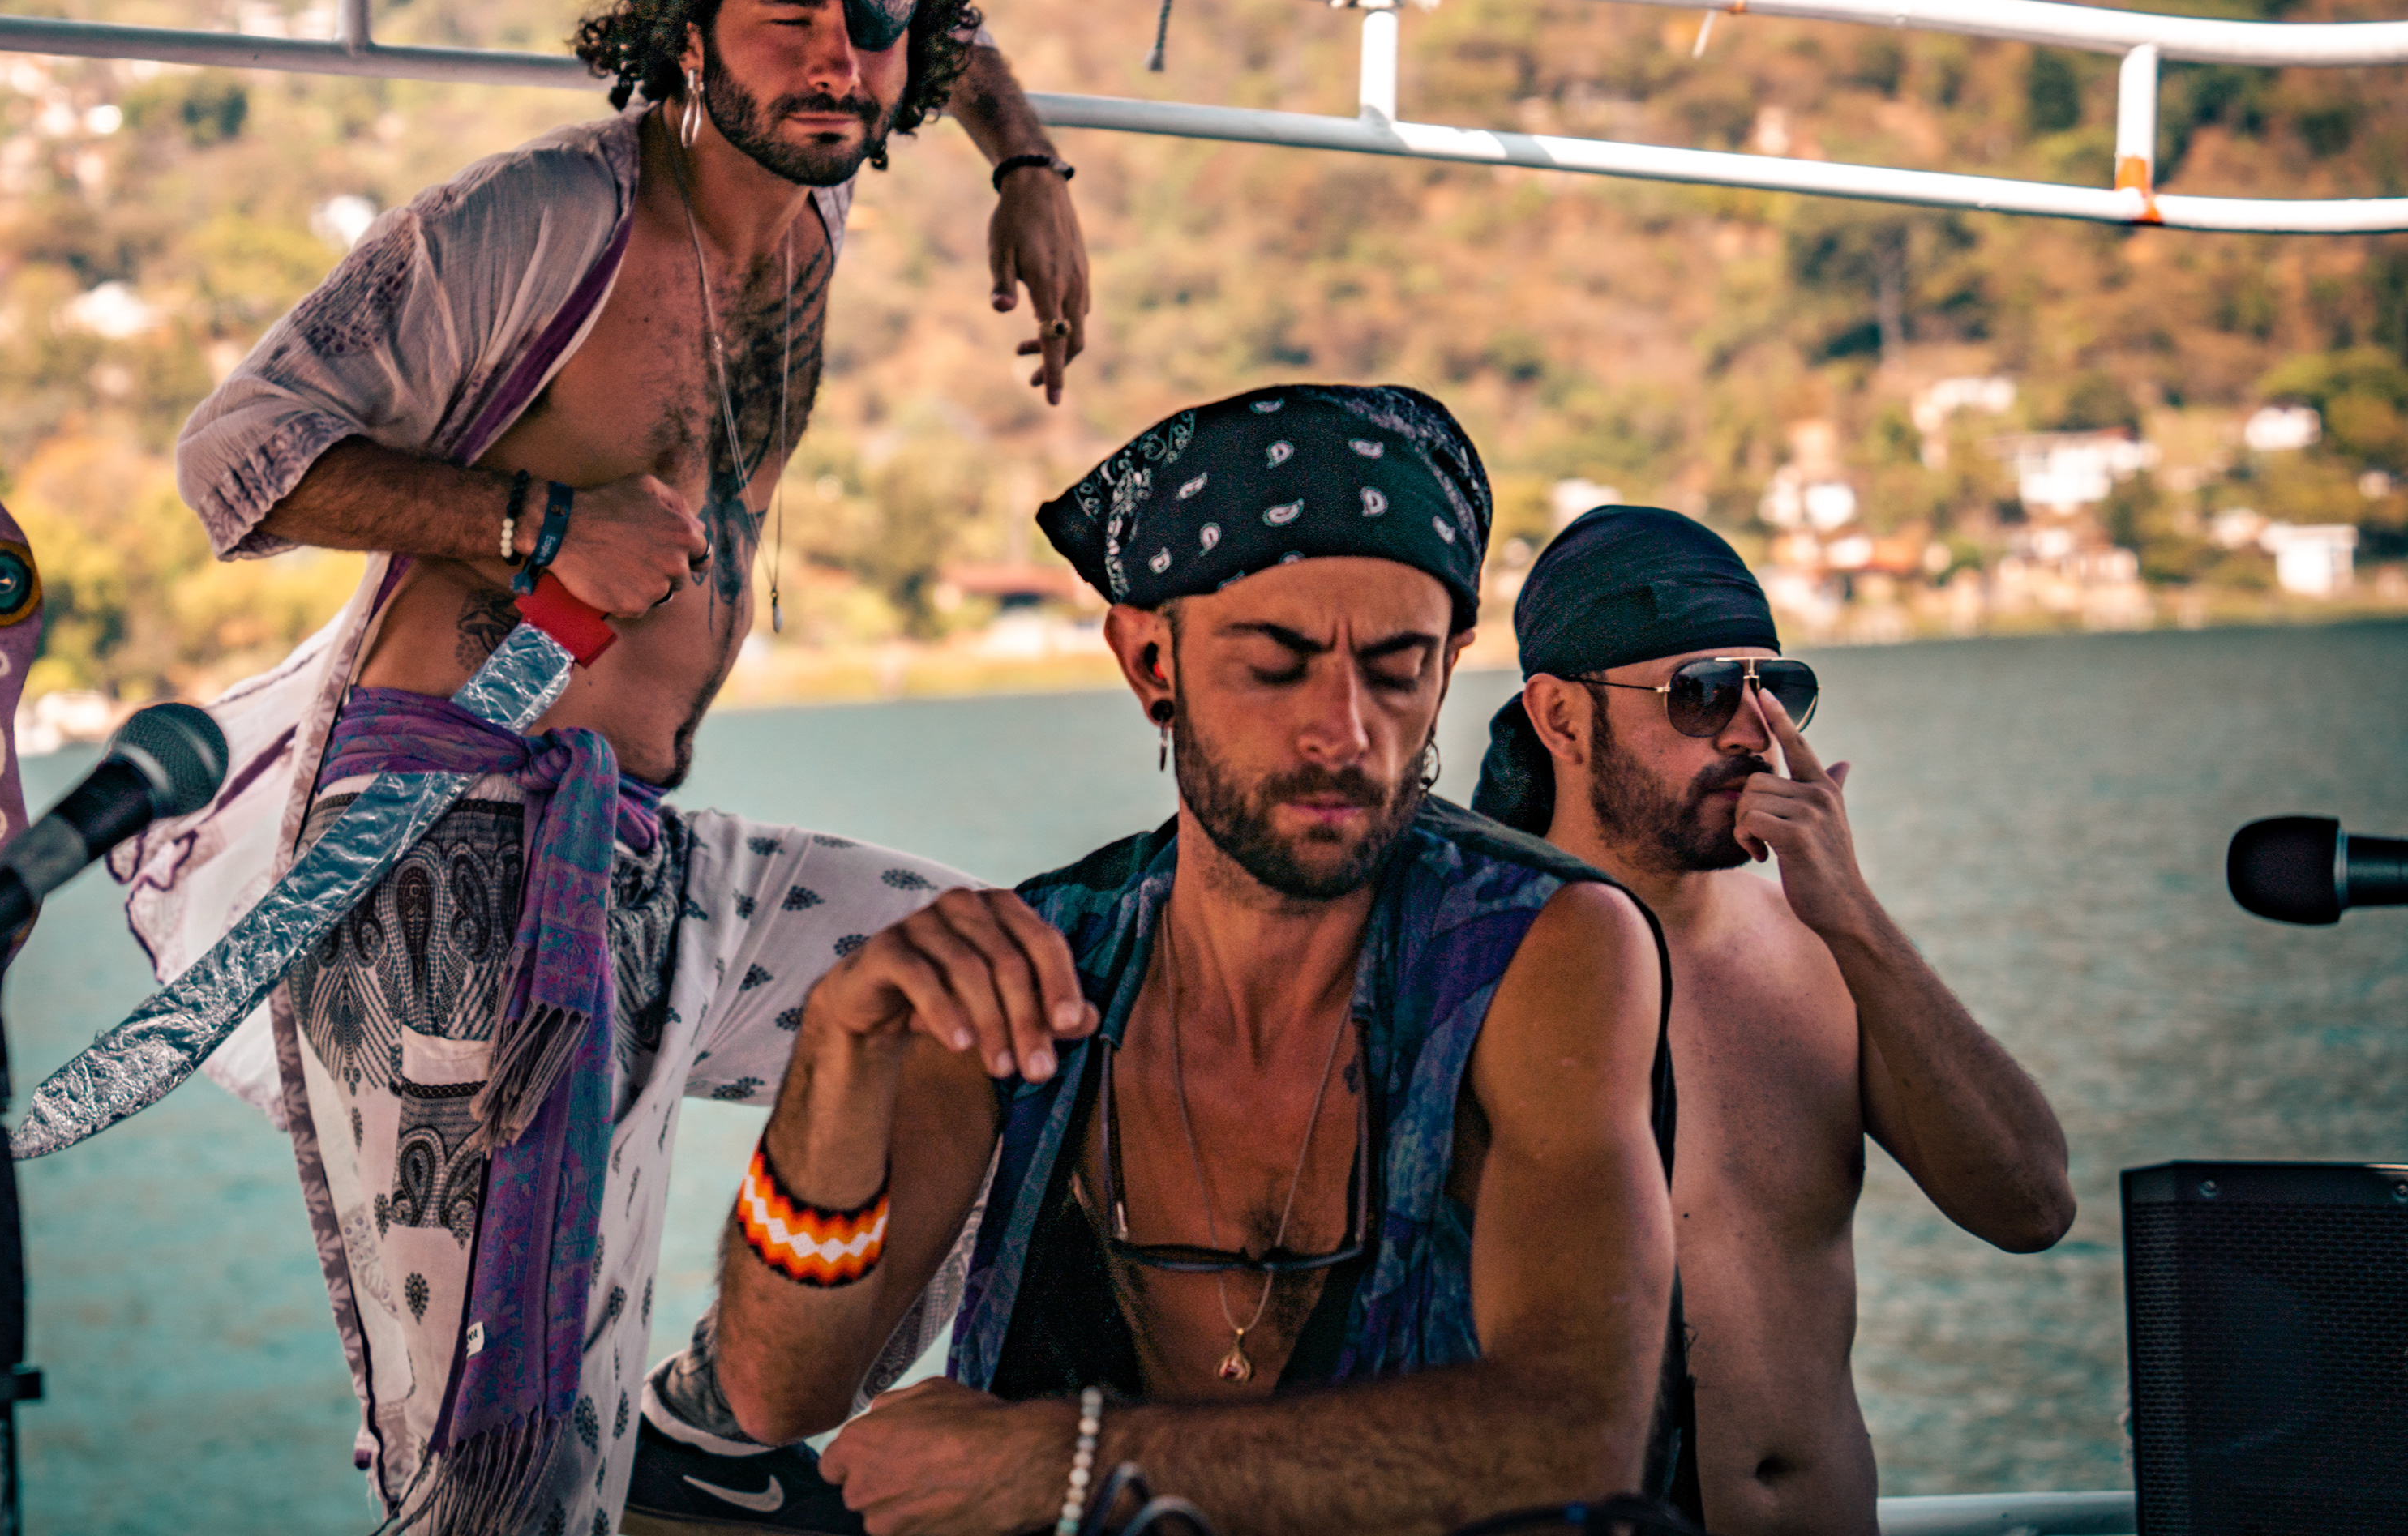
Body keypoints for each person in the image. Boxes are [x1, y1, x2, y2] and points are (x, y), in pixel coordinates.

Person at [103, 0, 1091, 1536]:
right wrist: (532, 521)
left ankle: (722, 1416)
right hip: (434, 868)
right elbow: (231, 458)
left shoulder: (816, 193)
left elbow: (944, 17)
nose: (835, 52)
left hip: (636, 839)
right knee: (495, 1482)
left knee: (1014, 1011)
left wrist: (1027, 161)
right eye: (783, 9)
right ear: (688, 26)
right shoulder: (541, 221)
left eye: (872, 15)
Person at [696, 387, 1686, 1536]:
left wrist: (1069, 1463)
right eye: (1279, 665)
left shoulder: (1540, 946)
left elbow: (1581, 1437)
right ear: (1150, 662)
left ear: (1453, 660)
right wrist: (838, 1053)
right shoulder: (1046, 963)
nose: (1348, 731)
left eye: (1399, 668)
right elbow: (779, 1388)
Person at [1472, 506, 2075, 1536]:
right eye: (1702, 694)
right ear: (1561, 718)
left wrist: (1857, 921)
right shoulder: (1473, 970)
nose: (1755, 732)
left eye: (1776, 687)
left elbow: (2031, 1207)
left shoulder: (1820, 944)